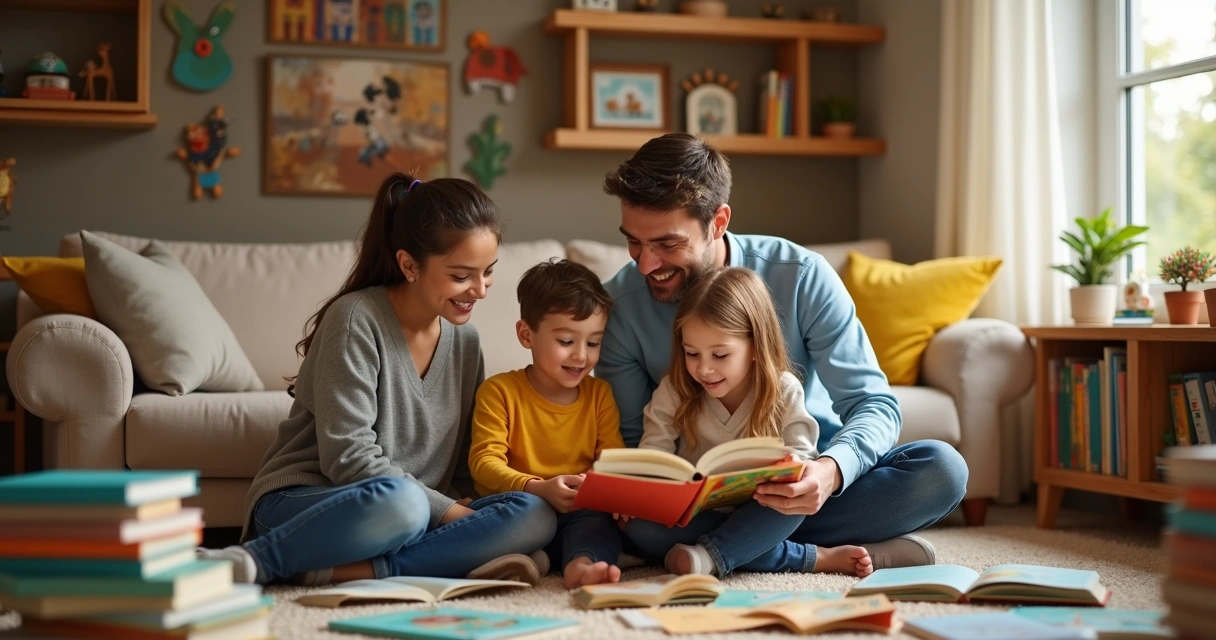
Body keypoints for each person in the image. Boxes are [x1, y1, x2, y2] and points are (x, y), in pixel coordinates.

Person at [597, 133, 969, 570]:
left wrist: (828, 473)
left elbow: (873, 404)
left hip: (808, 484)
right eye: (634, 242)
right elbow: (633, 437)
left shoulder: (803, 275)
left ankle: (738, 546)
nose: (645, 265)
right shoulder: (619, 306)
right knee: (641, 526)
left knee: (942, 470)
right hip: (701, 504)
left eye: (666, 244)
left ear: (718, 222)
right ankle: (812, 553)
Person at [198, 173, 556, 586]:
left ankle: (362, 570)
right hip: (314, 501)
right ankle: (256, 561)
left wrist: (484, 509)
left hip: (414, 509)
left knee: (536, 514)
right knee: (402, 507)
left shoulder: (465, 340)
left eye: (488, 272)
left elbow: (461, 459)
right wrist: (455, 518)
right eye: (462, 276)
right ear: (409, 265)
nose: (480, 290)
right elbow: (348, 459)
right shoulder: (355, 320)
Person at [624, 267, 874, 577]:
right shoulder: (675, 389)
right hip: (700, 515)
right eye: (692, 353)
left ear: (755, 346)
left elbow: (802, 457)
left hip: (768, 510)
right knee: (639, 526)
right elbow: (654, 456)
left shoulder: (783, 389)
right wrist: (642, 491)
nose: (703, 369)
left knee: (794, 494)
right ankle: (811, 557)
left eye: (719, 355)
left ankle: (712, 556)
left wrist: (787, 471)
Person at [468, 259, 626, 588]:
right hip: (521, 503)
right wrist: (538, 488)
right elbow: (483, 463)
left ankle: (579, 565)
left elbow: (614, 458)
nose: (581, 356)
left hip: (578, 509)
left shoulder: (599, 394)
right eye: (566, 342)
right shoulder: (499, 391)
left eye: (593, 343)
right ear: (527, 335)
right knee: (512, 515)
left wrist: (597, 486)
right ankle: (528, 555)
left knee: (600, 522)